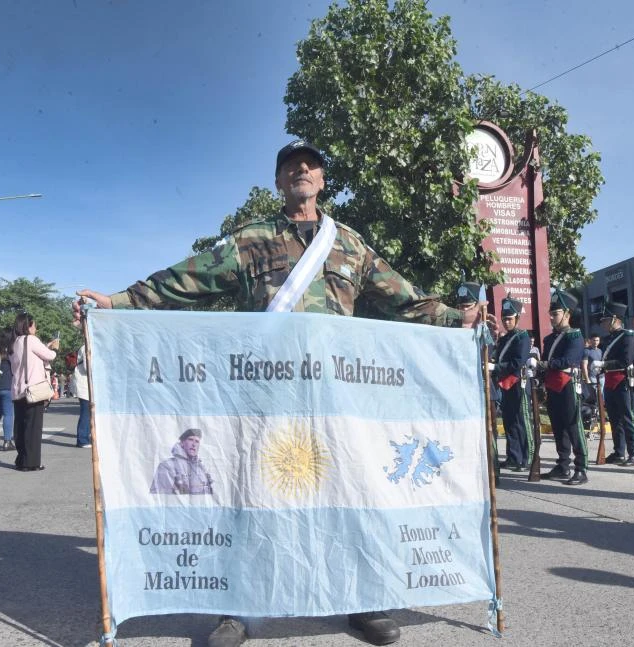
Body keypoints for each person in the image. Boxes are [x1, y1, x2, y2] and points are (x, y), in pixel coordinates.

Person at [73, 140, 494, 647]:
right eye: (290, 165)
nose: (302, 169)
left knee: (350, 498)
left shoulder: (350, 246)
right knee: (249, 499)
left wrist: (457, 317)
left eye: (311, 164)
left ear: (321, 179)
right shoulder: (251, 240)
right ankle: (238, 608)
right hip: (263, 398)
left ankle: (363, 601)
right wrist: (119, 303)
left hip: (336, 403)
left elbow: (406, 301)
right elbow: (187, 280)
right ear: (278, 182)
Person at [535, 289, 588, 485]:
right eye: (551, 313)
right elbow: (545, 361)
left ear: (567, 314)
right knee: (558, 427)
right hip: (552, 385)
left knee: (573, 427)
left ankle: (581, 468)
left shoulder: (574, 336)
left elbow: (570, 360)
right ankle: (563, 465)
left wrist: (545, 365)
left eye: (555, 313)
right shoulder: (549, 339)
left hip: (567, 385)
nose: (551, 317)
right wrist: (538, 372)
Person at [9, 312, 60, 471]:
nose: (36, 328)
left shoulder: (14, 342)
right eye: (34, 325)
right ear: (28, 326)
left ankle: (21, 459)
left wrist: (45, 346)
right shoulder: (31, 340)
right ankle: (31, 462)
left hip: (18, 389)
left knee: (20, 426)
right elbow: (50, 356)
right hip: (33, 390)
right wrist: (54, 348)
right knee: (33, 427)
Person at [593, 301, 634, 466]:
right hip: (610, 382)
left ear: (615, 319)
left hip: (623, 381)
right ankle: (619, 452)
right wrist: (600, 369)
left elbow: (625, 361)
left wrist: (604, 365)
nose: (603, 324)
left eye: (606, 320)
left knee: (628, 417)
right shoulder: (608, 339)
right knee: (614, 419)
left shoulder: (628, 336)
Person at [491, 295, 532, 471]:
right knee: (509, 422)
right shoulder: (505, 338)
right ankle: (513, 456)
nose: (506, 322)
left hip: (518, 383)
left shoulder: (522, 337)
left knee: (520, 421)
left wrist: (496, 366)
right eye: (504, 319)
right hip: (505, 384)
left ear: (516, 318)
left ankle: (526, 458)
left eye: (509, 318)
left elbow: (518, 362)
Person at [150, 429, 214, 494]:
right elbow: (159, 497)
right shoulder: (167, 466)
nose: (194, 444)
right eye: (190, 439)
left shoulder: (202, 469)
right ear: (182, 443)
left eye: (197, 441)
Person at [72, 336, 92, 448]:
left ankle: (86, 436)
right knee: (86, 412)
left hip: (86, 383)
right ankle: (82, 439)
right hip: (84, 383)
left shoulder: (88, 346)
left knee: (89, 412)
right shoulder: (86, 347)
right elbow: (87, 366)